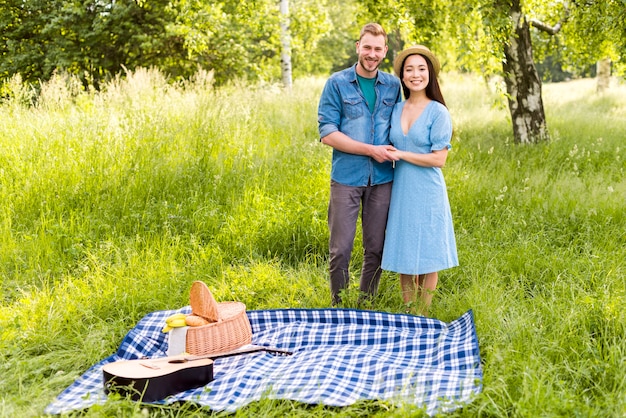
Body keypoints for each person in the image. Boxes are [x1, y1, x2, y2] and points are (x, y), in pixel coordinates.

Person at [317, 23, 402, 306]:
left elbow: (401, 127)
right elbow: (328, 134)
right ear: (357, 47)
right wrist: (371, 150)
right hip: (346, 178)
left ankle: (366, 304)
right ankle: (338, 306)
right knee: (340, 249)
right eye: (367, 47)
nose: (372, 54)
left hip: (382, 180)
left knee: (375, 248)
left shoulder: (393, 85)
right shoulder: (337, 84)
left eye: (378, 49)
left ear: (385, 51)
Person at [381, 45, 458, 316]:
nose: (416, 74)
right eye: (409, 69)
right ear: (402, 76)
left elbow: (439, 159)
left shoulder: (438, 112)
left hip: (427, 189)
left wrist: (401, 153)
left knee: (427, 254)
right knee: (404, 250)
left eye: (421, 69)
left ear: (430, 74)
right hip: (401, 188)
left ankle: (423, 314)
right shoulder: (396, 109)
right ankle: (408, 311)